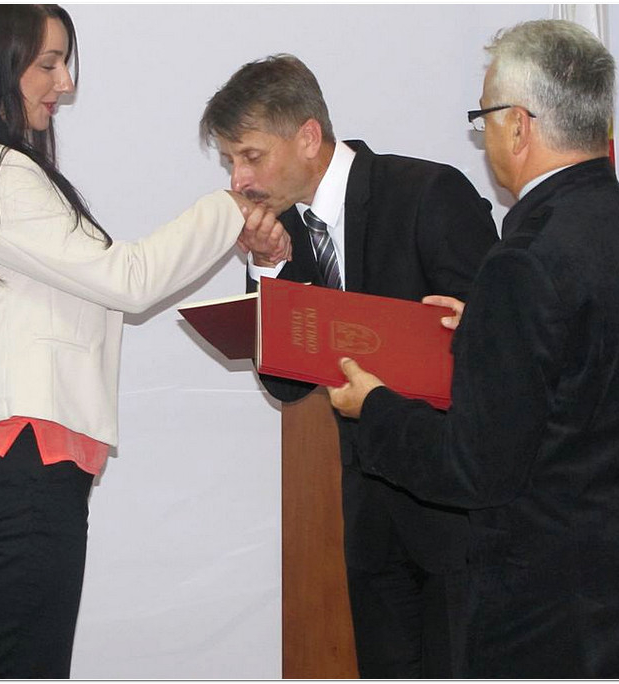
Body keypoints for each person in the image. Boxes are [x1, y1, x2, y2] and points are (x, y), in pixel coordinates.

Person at [0, 5, 289, 679]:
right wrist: (228, 209)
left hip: (6, 463)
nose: (66, 83)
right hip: (19, 463)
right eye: (48, 64)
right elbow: (128, 280)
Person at [329, 19, 619, 678]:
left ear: (517, 125)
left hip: (556, 624)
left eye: (483, 118)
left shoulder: (525, 261)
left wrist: (376, 408)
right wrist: (488, 330)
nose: (484, 136)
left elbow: (474, 470)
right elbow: (613, 377)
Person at [199, 54, 498, 678]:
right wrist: (268, 269)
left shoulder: (425, 193)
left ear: (309, 137)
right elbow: (285, 383)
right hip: (370, 516)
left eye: (250, 156)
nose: (240, 180)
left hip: (457, 518)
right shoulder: (283, 231)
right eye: (229, 162)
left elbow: (496, 353)